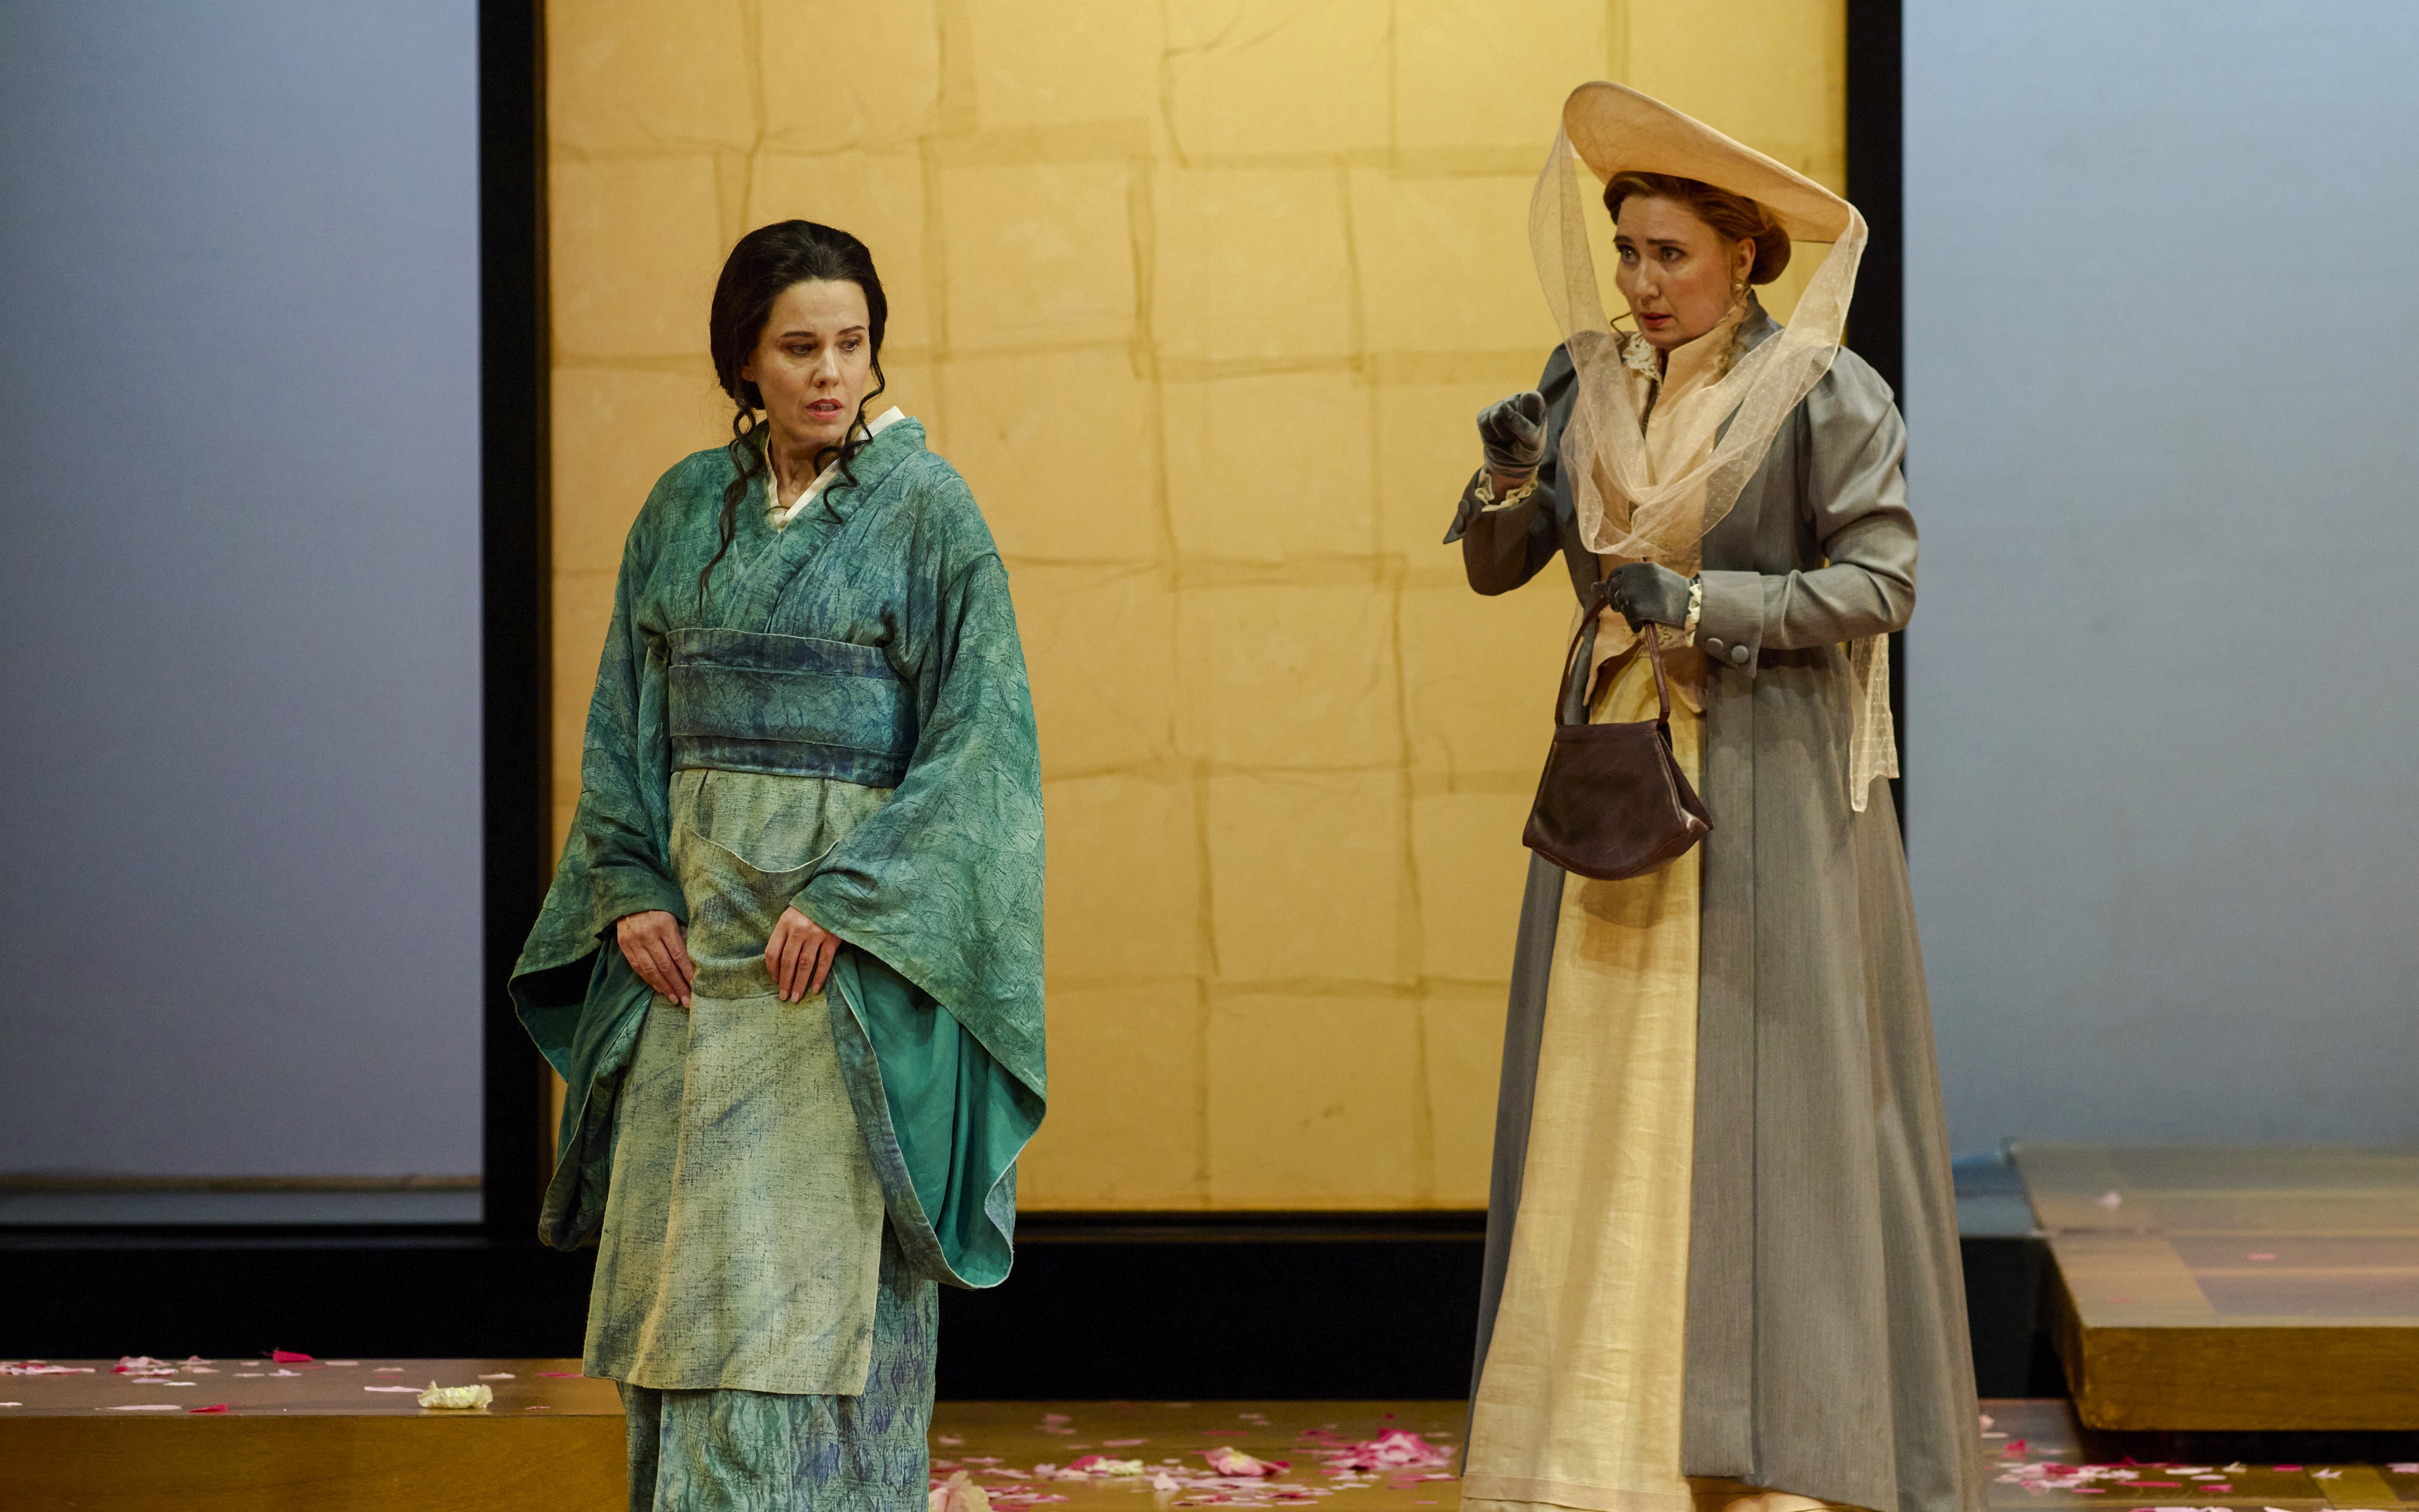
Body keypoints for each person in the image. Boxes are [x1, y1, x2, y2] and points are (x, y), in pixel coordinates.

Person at [1449, 84, 1984, 1512]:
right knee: (1601, 1088)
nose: (1639, 282)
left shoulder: (1821, 393)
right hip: (1620, 773)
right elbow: (1499, 566)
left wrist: (1704, 597)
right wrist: (1508, 474)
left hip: (1764, 782)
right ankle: (1601, 1427)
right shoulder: (1589, 385)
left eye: (1668, 254)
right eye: (1625, 251)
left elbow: (1883, 582)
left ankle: (1779, 1441)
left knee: (1769, 1099)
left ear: (1741, 257)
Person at [510, 220, 1046, 1511]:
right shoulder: (685, 507)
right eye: (798, 346)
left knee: (806, 1312)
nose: (830, 373)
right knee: (682, 1303)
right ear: (741, 361)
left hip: (833, 976)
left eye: (852, 344)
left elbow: (982, 750)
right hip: (696, 958)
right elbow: (624, 727)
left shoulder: (928, 510)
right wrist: (629, 883)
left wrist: (859, 903)